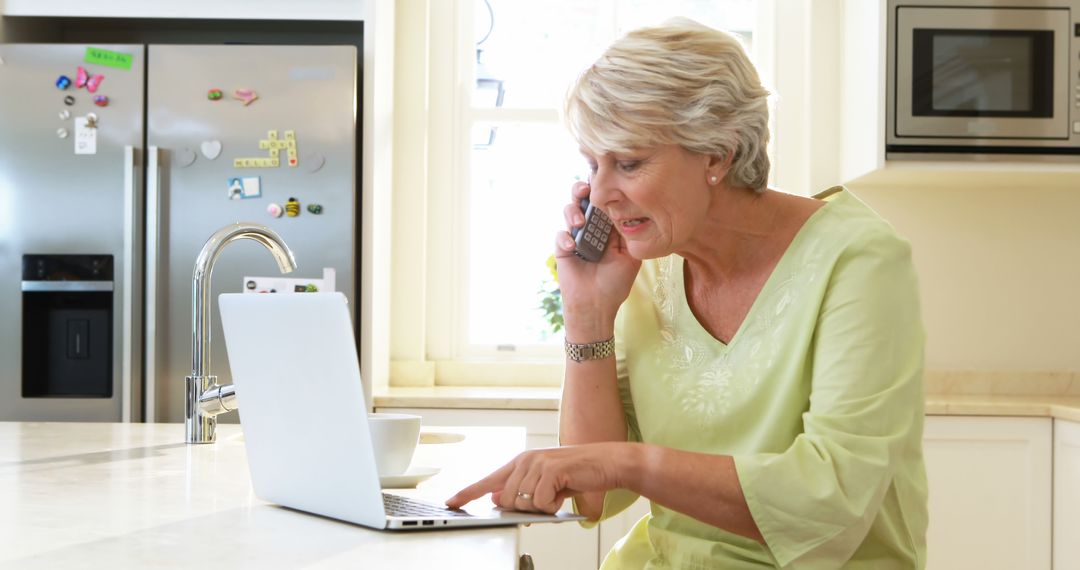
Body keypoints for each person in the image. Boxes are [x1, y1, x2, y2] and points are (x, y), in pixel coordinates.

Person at [447, 18, 927, 569]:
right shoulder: (649, 265)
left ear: (717, 155)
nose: (602, 193)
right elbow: (596, 497)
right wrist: (588, 315)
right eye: (592, 165)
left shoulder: (860, 260)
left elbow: (832, 499)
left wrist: (629, 463)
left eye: (628, 163)